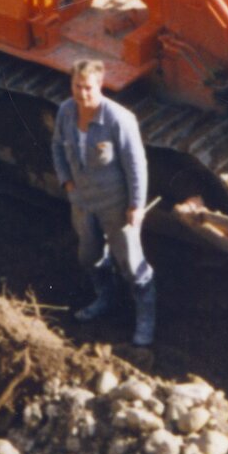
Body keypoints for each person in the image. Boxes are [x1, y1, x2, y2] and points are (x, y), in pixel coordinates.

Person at [51, 60, 155, 347]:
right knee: (89, 256)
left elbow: (137, 166)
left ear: (100, 86)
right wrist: (66, 180)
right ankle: (104, 298)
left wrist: (136, 205)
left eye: (88, 88)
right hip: (83, 203)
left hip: (116, 206)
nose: (82, 94)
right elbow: (57, 146)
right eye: (77, 86)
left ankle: (145, 319)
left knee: (133, 265)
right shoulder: (66, 112)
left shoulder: (118, 119)